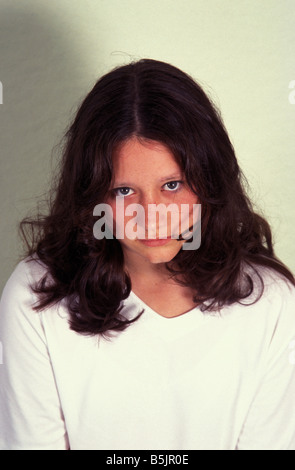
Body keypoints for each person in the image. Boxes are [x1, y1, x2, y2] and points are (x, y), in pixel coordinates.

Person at [0, 59, 294, 450]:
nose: (151, 217)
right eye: (124, 191)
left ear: (211, 180)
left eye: (172, 184)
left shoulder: (270, 302)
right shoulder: (35, 296)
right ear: (92, 195)